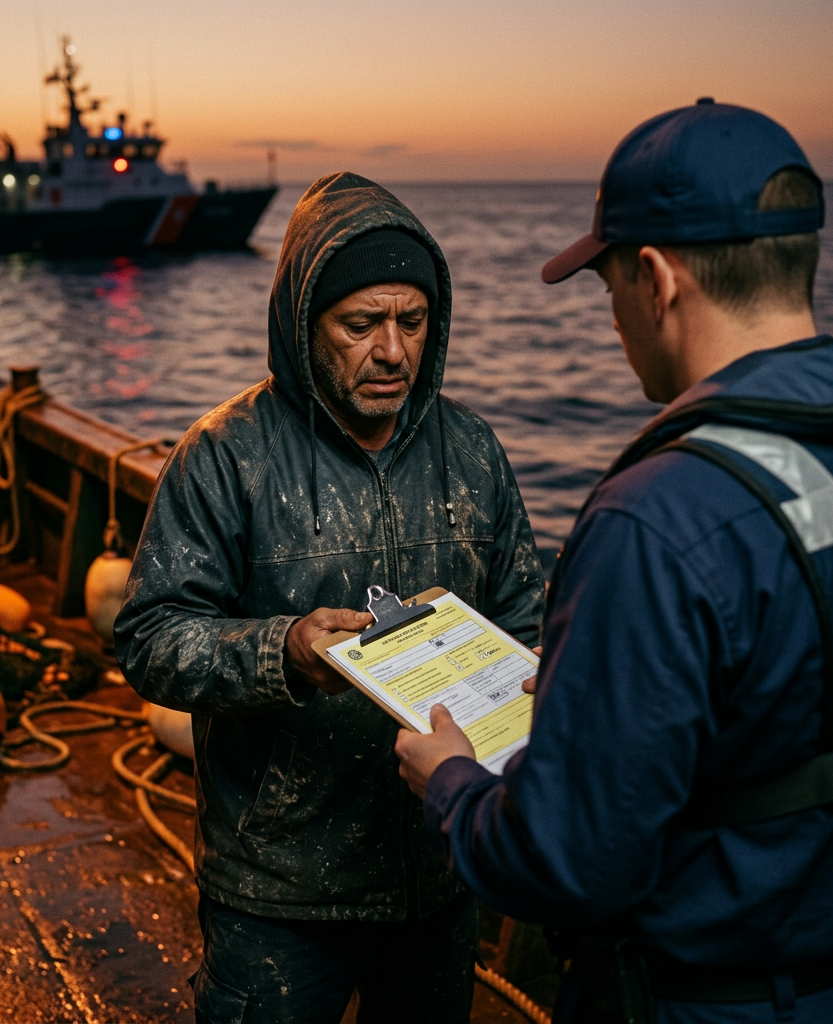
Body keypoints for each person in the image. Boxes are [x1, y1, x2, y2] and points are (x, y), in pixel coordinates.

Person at [394, 100, 833, 1023]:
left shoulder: (656, 521)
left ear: (656, 279)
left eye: (606, 284)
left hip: (707, 998)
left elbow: (564, 866)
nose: (611, 318)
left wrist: (448, 781)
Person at [115, 171, 545, 1023]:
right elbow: (150, 638)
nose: (393, 351)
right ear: (303, 325)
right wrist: (283, 652)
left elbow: (526, 620)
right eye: (360, 325)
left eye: (412, 322)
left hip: (440, 872)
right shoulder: (224, 456)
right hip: (277, 893)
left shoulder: (474, 451)